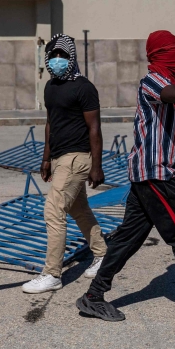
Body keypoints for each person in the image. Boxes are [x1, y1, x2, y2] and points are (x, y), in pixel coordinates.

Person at [76, 30, 175, 325]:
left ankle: (93, 297)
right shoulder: (154, 82)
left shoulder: (166, 87)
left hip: (149, 176)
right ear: (159, 55)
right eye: (173, 49)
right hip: (156, 175)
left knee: (128, 239)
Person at [22, 34, 108, 294]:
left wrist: (97, 165)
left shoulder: (84, 87)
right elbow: (51, 123)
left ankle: (52, 274)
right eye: (53, 56)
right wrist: (46, 158)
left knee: (53, 210)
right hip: (59, 158)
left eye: (63, 55)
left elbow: (95, 127)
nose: (58, 60)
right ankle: (103, 254)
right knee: (78, 209)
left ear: (72, 57)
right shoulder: (50, 87)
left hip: (77, 157)